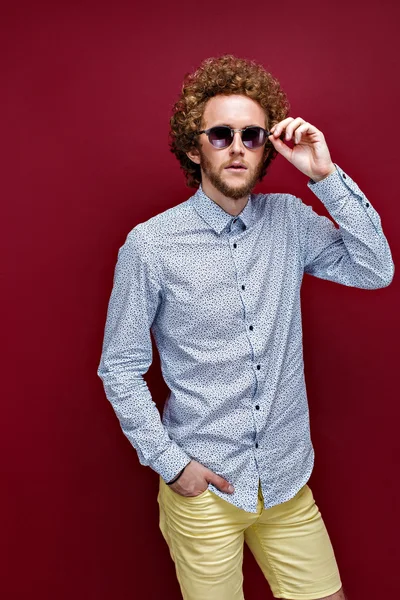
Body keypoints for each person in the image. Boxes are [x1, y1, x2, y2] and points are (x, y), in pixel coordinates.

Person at [97, 54, 394, 600]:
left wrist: (324, 176)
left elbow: (376, 269)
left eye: (252, 134)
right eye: (221, 133)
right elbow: (119, 366)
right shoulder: (150, 245)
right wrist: (173, 465)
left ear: (266, 148)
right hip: (204, 489)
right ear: (194, 147)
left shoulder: (290, 220)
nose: (237, 146)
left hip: (285, 480)